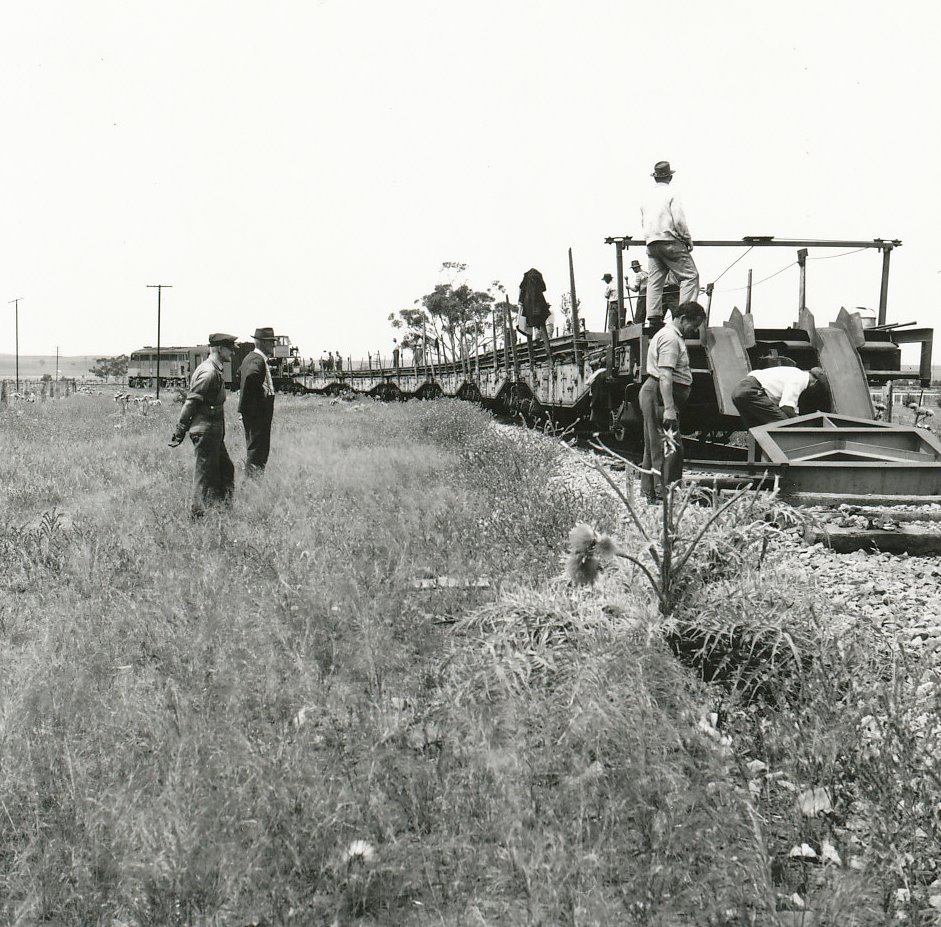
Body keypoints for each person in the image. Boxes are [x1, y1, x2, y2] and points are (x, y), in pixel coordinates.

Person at [639, 301, 707, 504]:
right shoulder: (670, 338)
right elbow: (666, 374)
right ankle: (665, 496)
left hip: (657, 393)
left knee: (656, 445)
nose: (694, 331)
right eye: (694, 325)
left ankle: (652, 493)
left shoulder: (670, 335)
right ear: (683, 318)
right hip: (661, 394)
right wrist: (669, 407)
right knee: (669, 447)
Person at [169, 333, 237, 517]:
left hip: (212, 431)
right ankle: (197, 516)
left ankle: (222, 511)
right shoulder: (209, 373)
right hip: (205, 430)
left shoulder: (214, 369)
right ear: (219, 349)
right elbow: (191, 403)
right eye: (230, 349)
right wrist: (180, 430)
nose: (232, 353)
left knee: (225, 470)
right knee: (205, 476)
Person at [640, 161, 700, 324]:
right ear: (670, 177)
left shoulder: (646, 198)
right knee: (690, 276)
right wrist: (687, 238)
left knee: (655, 279)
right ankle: (685, 315)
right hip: (669, 241)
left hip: (651, 243)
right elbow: (679, 220)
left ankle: (653, 315)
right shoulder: (672, 193)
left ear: (655, 178)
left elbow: (643, 221)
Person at [732, 365, 830, 428]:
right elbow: (786, 407)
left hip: (740, 390)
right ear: (815, 382)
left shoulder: (794, 371)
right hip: (752, 391)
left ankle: (758, 458)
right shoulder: (801, 379)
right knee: (786, 426)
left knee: (757, 429)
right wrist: (800, 423)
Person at [238, 326, 277, 478]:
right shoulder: (257, 360)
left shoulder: (250, 358)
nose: (273, 345)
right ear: (261, 342)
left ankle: (254, 482)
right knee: (258, 451)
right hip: (258, 415)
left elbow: (239, 374)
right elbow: (250, 377)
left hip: (254, 413)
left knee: (256, 449)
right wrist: (262, 392)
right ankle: (252, 485)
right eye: (271, 342)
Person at [628, 259, 648, 323]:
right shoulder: (646, 273)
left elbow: (635, 289)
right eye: (633, 268)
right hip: (648, 295)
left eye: (634, 268)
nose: (634, 270)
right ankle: (641, 325)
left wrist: (629, 287)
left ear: (638, 267)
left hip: (642, 295)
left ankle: (638, 325)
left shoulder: (638, 275)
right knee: (644, 312)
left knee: (639, 313)